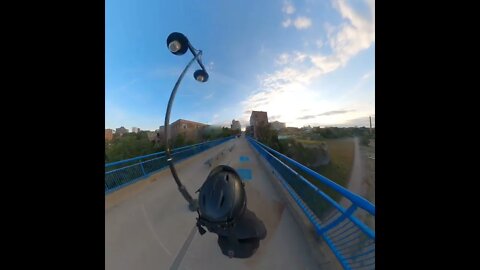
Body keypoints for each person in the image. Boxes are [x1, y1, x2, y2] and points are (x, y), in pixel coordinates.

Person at [196, 165, 267, 258]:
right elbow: (263, 234)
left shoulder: (209, 221)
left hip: (225, 246)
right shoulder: (252, 223)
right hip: (246, 250)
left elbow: (211, 230)